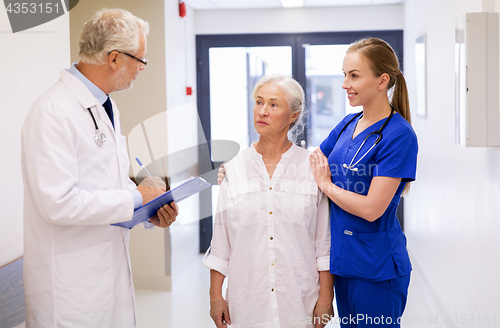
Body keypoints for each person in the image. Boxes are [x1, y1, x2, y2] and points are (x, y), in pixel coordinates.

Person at [21, 9, 178, 328]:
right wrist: (136, 197)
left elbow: (106, 187)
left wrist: (150, 208)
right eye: (141, 59)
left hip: (106, 276)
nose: (142, 69)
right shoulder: (53, 111)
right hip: (72, 291)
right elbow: (58, 203)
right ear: (115, 58)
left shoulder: (105, 106)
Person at [204, 75, 333, 328]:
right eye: (259, 102)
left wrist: (326, 296)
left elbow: (323, 243)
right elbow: (221, 243)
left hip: (299, 301)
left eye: (274, 105)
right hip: (248, 303)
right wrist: (215, 295)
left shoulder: (312, 168)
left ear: (293, 115)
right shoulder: (234, 169)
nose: (262, 111)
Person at [309, 38, 418, 327]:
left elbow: (372, 208)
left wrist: (327, 186)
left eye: (354, 75)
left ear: (382, 80)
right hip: (344, 263)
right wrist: (248, 170)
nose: (345, 83)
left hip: (377, 268)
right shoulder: (347, 124)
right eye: (344, 74)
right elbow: (312, 162)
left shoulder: (399, 135)